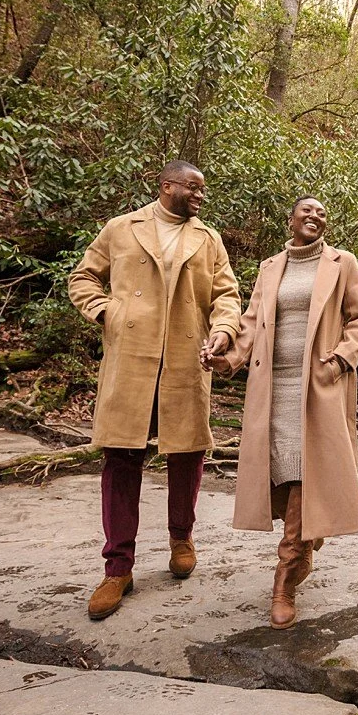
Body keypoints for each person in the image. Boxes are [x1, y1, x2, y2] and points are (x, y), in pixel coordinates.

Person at [68, 160, 241, 621]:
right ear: (167, 186)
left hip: (186, 359)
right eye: (193, 187)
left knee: (187, 453)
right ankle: (117, 568)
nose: (201, 195)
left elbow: (227, 295)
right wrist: (108, 312)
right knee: (121, 458)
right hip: (131, 361)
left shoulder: (209, 239)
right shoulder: (122, 229)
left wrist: (224, 328)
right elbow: (83, 277)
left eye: (203, 189)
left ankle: (181, 537)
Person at [204, 196, 358, 629]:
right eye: (307, 212)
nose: (315, 217)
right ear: (291, 219)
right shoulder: (270, 266)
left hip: (317, 385)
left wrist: (339, 359)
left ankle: (284, 579)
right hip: (273, 387)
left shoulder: (342, 263)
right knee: (286, 472)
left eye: (322, 214)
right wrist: (225, 357)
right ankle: (304, 547)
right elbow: (250, 322)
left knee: (307, 470)